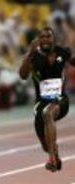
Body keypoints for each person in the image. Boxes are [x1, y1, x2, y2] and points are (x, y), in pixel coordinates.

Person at [19, 27, 75, 172]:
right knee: (45, 144)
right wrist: (30, 52)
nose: (45, 39)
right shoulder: (34, 56)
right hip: (41, 102)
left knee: (48, 113)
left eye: (48, 36)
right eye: (42, 37)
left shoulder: (63, 51)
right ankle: (53, 153)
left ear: (53, 38)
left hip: (60, 99)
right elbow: (23, 75)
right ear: (38, 40)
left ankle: (51, 159)